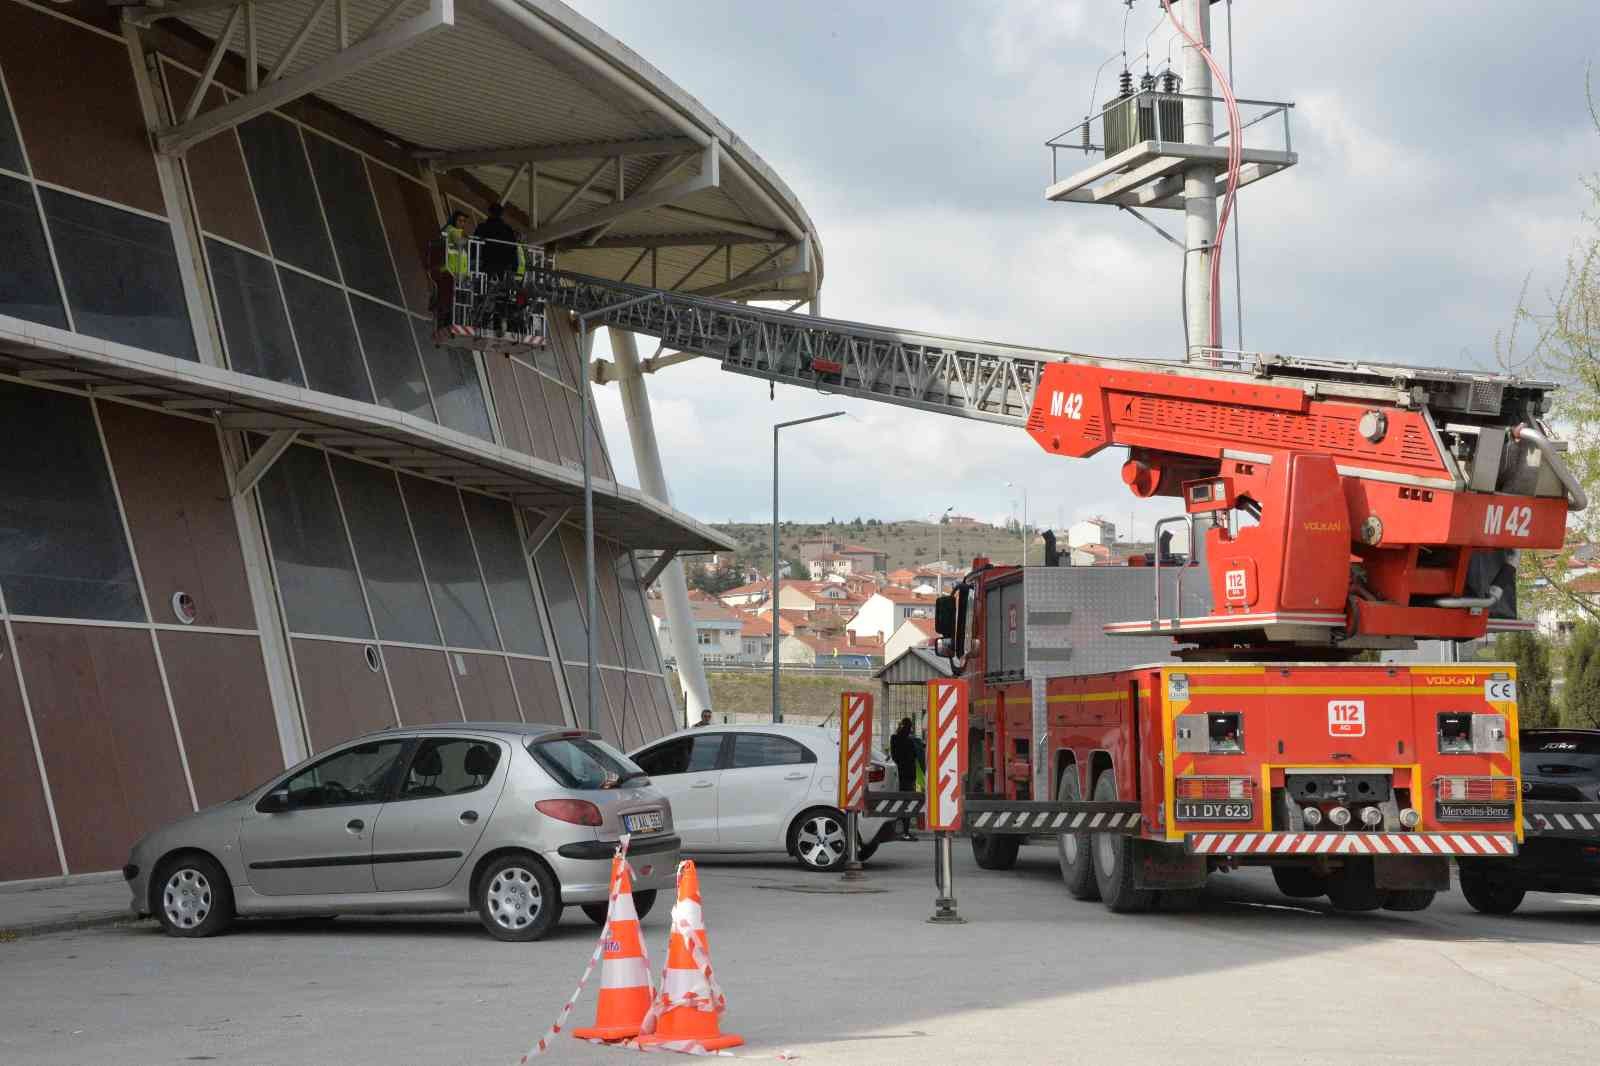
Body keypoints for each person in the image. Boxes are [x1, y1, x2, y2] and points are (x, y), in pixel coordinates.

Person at [433, 209, 469, 329]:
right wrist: (468, 239)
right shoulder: (451, 230)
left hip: (459, 272)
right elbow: (459, 242)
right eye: (460, 220)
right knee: (450, 299)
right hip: (451, 271)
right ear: (454, 220)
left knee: (455, 299)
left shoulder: (457, 232)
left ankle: (450, 322)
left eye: (464, 221)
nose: (462, 223)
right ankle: (445, 323)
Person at [890, 717, 920, 841]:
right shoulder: (911, 741)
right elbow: (916, 756)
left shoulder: (894, 739)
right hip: (909, 776)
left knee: (899, 803)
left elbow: (894, 756)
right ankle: (905, 832)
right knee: (907, 803)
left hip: (898, 775)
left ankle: (897, 831)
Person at [473, 202, 519, 279]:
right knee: (501, 286)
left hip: (487, 261)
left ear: (489, 212)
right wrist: (514, 266)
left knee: (485, 284)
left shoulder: (483, 227)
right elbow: (513, 248)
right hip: (504, 263)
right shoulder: (508, 230)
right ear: (501, 214)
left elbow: (475, 243)